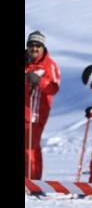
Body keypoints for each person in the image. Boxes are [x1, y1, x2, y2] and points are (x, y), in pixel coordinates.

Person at [24, 30, 61, 180]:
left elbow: (54, 88)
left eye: (38, 45)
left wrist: (39, 81)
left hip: (35, 113)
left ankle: (31, 181)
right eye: (32, 45)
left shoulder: (49, 65)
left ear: (43, 47)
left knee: (29, 148)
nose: (34, 48)